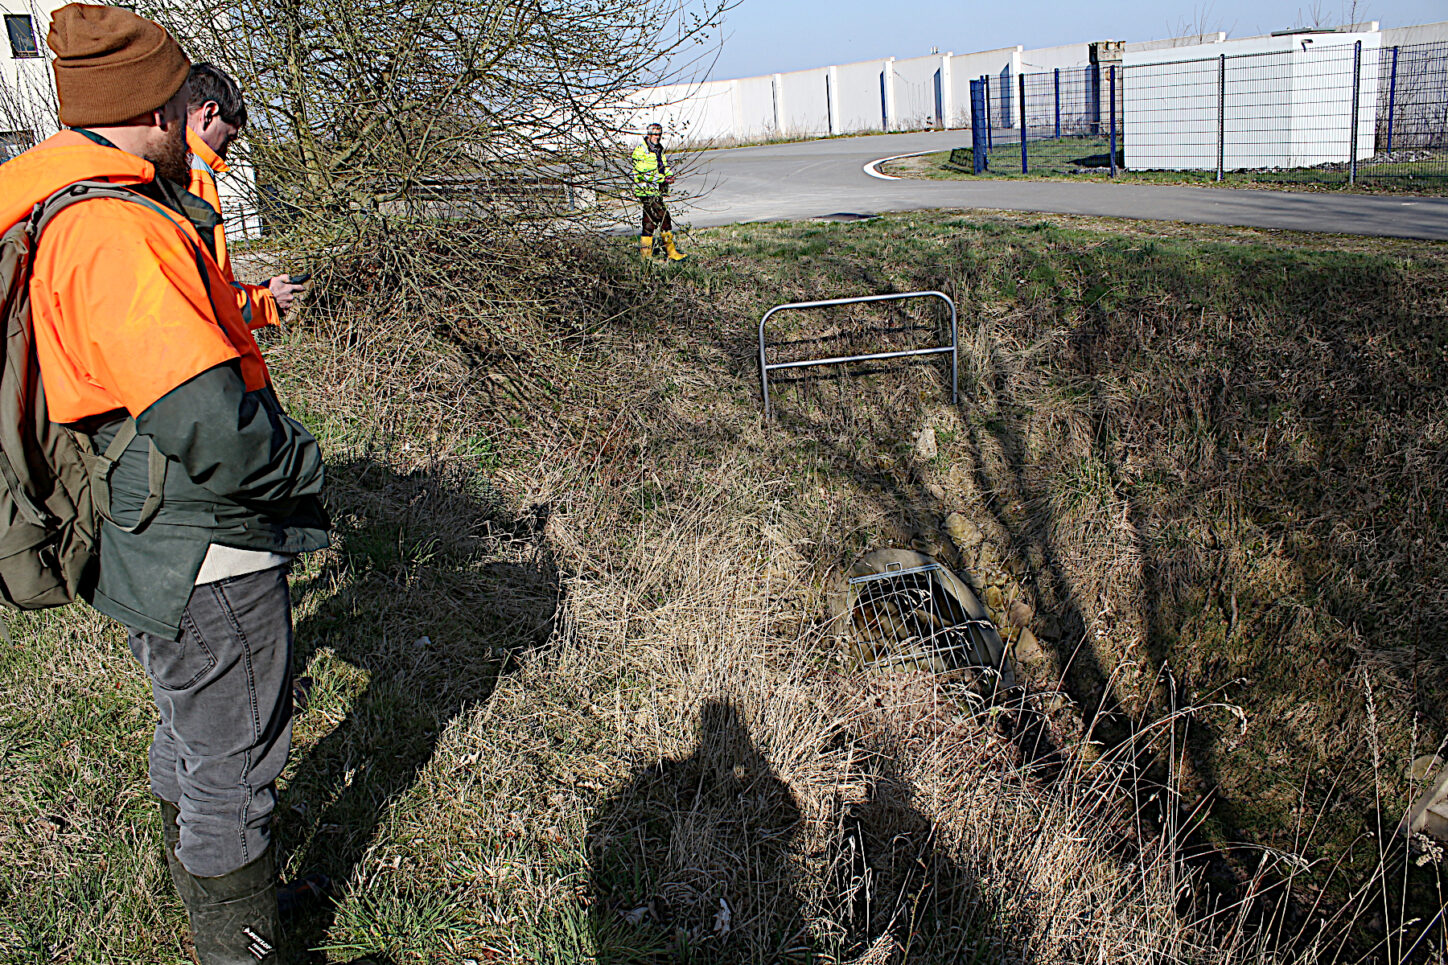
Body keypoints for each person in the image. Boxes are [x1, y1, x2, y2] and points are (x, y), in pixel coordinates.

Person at [0, 5, 329, 962]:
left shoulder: (72, 208)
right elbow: (209, 426)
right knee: (235, 762)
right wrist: (303, 466)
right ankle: (238, 943)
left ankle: (224, 891)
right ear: (154, 102)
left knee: (194, 731)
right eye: (185, 91)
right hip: (203, 543)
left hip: (145, 530)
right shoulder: (116, 229)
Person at [185, 62, 306, 329]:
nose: (226, 152)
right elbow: (209, 299)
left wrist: (263, 291)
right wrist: (267, 300)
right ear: (209, 113)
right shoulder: (195, 176)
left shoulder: (157, 166)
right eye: (229, 138)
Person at [631, 122, 686, 262]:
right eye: (655, 134)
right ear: (649, 135)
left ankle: (646, 255)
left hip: (657, 190)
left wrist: (668, 174)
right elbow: (643, 172)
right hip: (646, 191)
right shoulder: (640, 151)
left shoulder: (658, 149)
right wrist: (662, 178)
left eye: (660, 134)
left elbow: (663, 166)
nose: (658, 137)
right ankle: (671, 251)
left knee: (648, 222)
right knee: (664, 218)